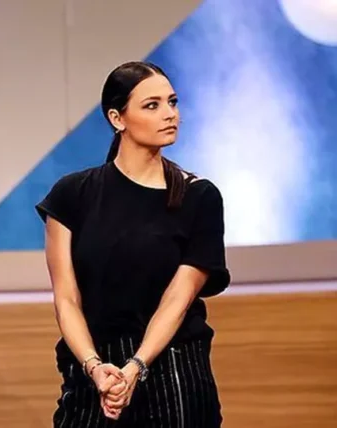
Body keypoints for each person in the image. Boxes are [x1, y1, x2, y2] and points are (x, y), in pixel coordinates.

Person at [36, 61, 230, 427]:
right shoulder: (71, 195)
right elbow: (66, 298)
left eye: (172, 102)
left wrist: (136, 366)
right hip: (93, 371)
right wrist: (94, 366)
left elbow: (178, 298)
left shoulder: (199, 197)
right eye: (152, 105)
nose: (170, 114)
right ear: (117, 118)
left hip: (174, 370)